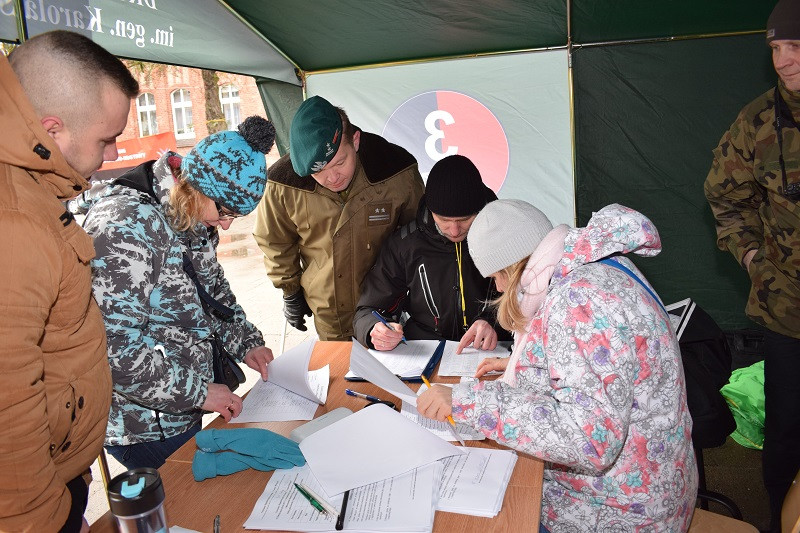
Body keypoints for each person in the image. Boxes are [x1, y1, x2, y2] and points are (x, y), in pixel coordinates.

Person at [417, 201, 698, 531]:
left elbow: (589, 442)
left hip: (621, 511)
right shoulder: (593, 263)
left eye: (497, 276)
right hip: (650, 484)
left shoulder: (578, 302)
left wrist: (467, 401)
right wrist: (526, 362)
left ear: (513, 266)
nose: (501, 288)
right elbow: (605, 365)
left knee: (477, 517)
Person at [0, 31, 138, 532]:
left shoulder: (33, 191)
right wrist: (49, 522)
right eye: (106, 138)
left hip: (60, 476)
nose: (111, 154)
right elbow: (7, 408)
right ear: (52, 131)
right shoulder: (15, 220)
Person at [82, 117, 276, 471]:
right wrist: (200, 392)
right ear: (200, 187)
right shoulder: (125, 226)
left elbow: (213, 294)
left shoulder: (190, 212)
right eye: (227, 212)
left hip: (185, 404)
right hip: (143, 426)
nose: (228, 224)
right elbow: (113, 348)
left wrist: (247, 343)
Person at [704, 1, 800, 529]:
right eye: (776, 48)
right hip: (788, 309)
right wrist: (751, 255)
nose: (784, 60)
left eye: (795, 46)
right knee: (785, 430)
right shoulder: (759, 121)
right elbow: (723, 194)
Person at [253, 96, 425, 341]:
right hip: (328, 312)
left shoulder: (396, 170)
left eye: (339, 163)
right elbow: (275, 242)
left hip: (387, 306)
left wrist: (419, 296)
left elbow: (419, 236)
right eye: (318, 172)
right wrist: (290, 291)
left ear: (355, 141)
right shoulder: (283, 183)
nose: (332, 177)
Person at [353, 154, 510, 351]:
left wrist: (492, 322)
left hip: (494, 347)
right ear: (430, 209)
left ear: (479, 209)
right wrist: (373, 331)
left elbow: (531, 299)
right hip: (425, 349)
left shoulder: (507, 237)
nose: (454, 230)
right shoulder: (405, 244)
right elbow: (367, 311)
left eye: (465, 219)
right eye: (444, 219)